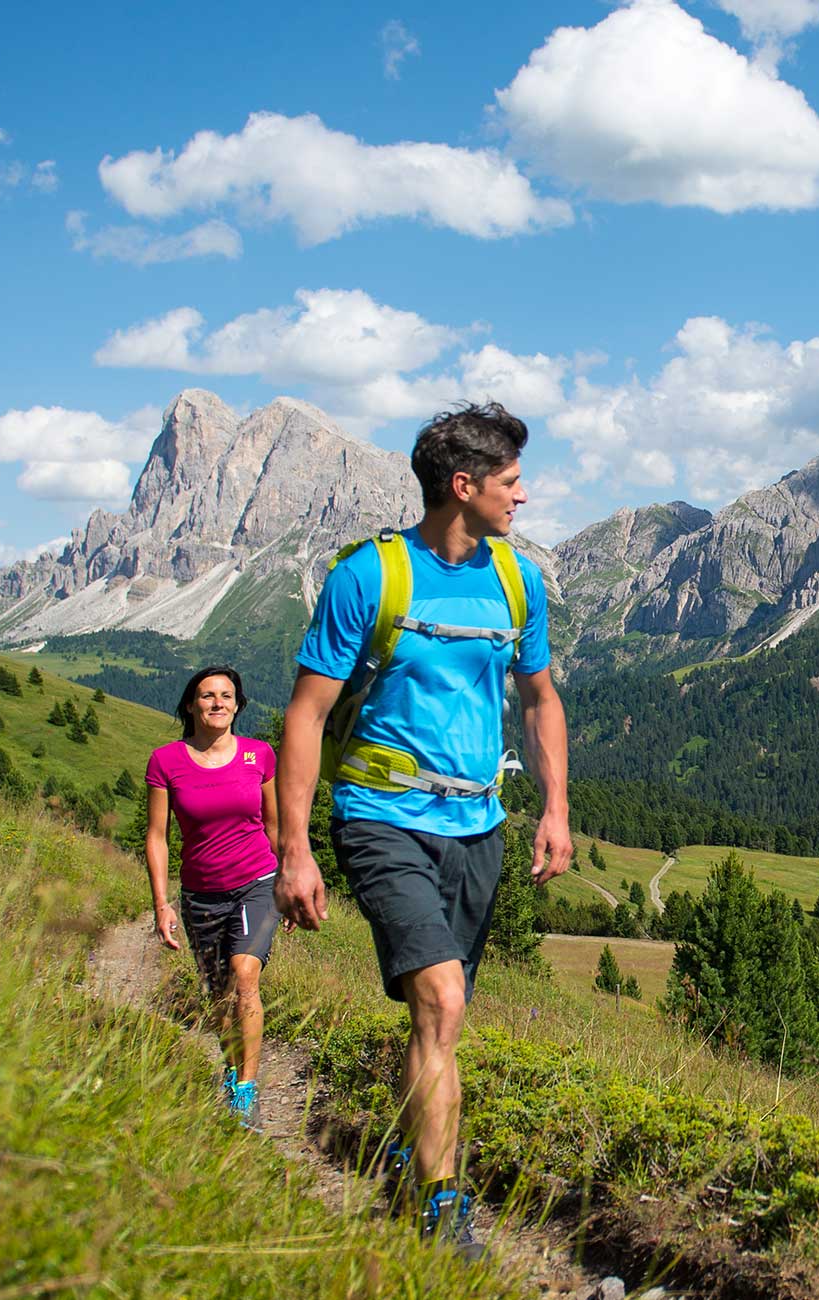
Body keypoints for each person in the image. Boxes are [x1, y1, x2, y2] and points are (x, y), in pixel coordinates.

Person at [275, 402, 570, 1256]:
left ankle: (415, 1160)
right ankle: (443, 1212)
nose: (525, 495)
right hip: (379, 819)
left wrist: (553, 810)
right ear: (463, 485)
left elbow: (540, 698)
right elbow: (305, 715)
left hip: (479, 828)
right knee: (440, 999)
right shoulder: (368, 576)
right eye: (512, 481)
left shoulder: (517, 579)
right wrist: (295, 850)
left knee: (440, 1022)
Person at [144, 665, 281, 1128]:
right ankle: (229, 1068)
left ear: (238, 705)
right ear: (190, 705)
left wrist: (289, 879)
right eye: (207, 696)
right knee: (219, 996)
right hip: (201, 893)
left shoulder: (259, 755)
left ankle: (246, 1088)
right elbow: (157, 836)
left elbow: (275, 823)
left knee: (245, 979)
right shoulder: (166, 761)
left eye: (226, 695)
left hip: (257, 882)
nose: (218, 703)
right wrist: (161, 903)